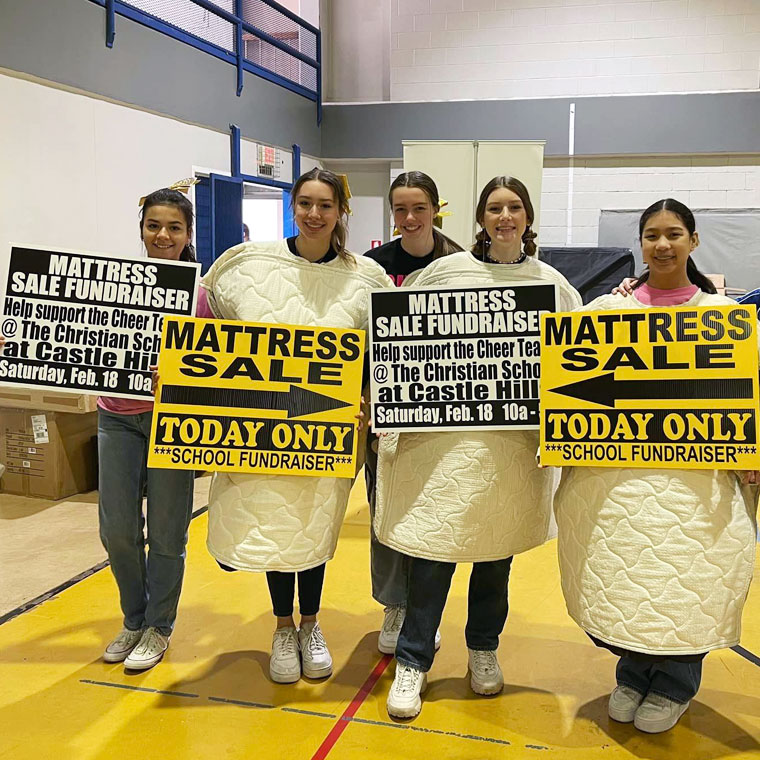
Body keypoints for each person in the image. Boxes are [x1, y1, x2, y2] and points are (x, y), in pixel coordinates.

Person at [373, 176, 582, 718]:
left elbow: (578, 366)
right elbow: (396, 347)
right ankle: (414, 661)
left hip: (511, 453)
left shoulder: (554, 286)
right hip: (447, 447)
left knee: (495, 559)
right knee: (434, 559)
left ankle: (483, 651)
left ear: (528, 216)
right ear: (481, 218)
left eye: (514, 207)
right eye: (495, 208)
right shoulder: (445, 275)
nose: (505, 216)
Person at [554, 198, 759, 733]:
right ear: (640, 244)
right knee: (629, 576)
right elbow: (565, 393)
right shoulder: (605, 314)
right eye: (651, 235)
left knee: (688, 578)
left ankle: (674, 685)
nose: (662, 244)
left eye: (673, 234)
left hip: (695, 485)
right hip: (620, 482)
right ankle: (633, 672)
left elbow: (749, 396)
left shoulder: (724, 320)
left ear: (693, 241)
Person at [202, 168, 393, 684]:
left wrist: (368, 399)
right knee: (274, 521)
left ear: (340, 212)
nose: (313, 214)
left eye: (324, 205)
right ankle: (282, 625)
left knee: (313, 526)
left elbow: (383, 353)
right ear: (293, 206)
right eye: (304, 203)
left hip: (328, 432)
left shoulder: (365, 278)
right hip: (263, 431)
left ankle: (311, 623)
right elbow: (210, 330)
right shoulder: (248, 266)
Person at [98, 184, 212, 670]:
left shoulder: (202, 296)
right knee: (117, 530)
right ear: (141, 229)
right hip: (116, 416)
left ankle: (158, 627)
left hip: (174, 422)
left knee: (167, 532)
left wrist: (183, 370)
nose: (163, 235)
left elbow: (215, 364)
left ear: (188, 234)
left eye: (174, 227)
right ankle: (133, 617)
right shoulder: (110, 286)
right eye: (153, 225)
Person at [362, 171, 463, 655]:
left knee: (430, 517)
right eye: (400, 209)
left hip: (442, 419)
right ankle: (393, 607)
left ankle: (424, 610)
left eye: (418, 208)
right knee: (385, 513)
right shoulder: (373, 268)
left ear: (435, 209)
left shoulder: (461, 263)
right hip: (385, 418)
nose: (409, 219)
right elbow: (356, 339)